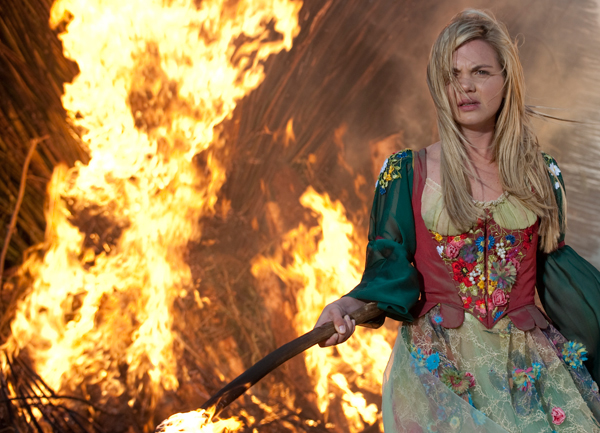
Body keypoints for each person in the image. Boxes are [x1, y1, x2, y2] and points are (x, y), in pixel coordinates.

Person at [314, 9, 600, 432]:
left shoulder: (542, 174)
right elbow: (388, 269)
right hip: (441, 369)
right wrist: (346, 306)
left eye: (480, 71)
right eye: (451, 75)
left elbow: (560, 279)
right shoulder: (406, 174)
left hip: (525, 370)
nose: (464, 86)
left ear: (506, 79)